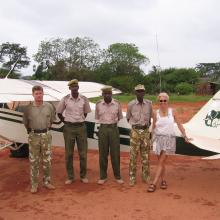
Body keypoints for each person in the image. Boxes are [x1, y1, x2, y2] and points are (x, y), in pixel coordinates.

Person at [147, 92, 191, 192]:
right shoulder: (155, 113)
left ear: (168, 101)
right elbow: (154, 126)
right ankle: (163, 180)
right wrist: (151, 140)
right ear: (158, 101)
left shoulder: (173, 111)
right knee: (160, 163)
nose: (163, 102)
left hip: (169, 139)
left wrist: (184, 135)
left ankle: (153, 183)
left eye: (165, 100)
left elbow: (179, 125)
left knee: (161, 161)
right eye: (161, 101)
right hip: (158, 139)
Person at [56, 79, 91, 184]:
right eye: (72, 87)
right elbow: (59, 113)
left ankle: (83, 176)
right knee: (69, 153)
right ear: (70, 88)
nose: (74, 88)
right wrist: (66, 122)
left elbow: (85, 113)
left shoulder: (84, 99)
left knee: (83, 153)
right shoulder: (65, 99)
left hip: (81, 127)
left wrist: (79, 120)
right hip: (69, 128)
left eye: (76, 87)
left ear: (78, 88)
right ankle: (70, 177)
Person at [23, 85, 56, 193]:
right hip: (33, 137)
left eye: (40, 93)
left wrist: (44, 130)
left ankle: (47, 182)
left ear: (43, 94)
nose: (39, 95)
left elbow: (51, 120)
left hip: (46, 135)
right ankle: (34, 184)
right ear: (33, 95)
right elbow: (26, 123)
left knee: (47, 160)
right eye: (36, 93)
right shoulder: (28, 109)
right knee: (34, 161)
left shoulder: (49, 106)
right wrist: (33, 132)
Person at [95, 86, 124, 185]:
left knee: (115, 153)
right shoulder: (98, 104)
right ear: (103, 95)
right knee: (103, 153)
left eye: (109, 93)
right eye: (105, 94)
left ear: (112, 94)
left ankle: (117, 176)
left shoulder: (117, 104)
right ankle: (103, 176)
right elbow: (97, 117)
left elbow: (120, 117)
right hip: (103, 129)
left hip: (113, 129)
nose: (107, 95)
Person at [126, 84, 153, 186]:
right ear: (135, 93)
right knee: (133, 156)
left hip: (145, 131)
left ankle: (146, 177)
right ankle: (132, 178)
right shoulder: (131, 104)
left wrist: (145, 129)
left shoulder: (149, 104)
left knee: (145, 156)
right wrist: (136, 127)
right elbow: (128, 118)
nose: (140, 93)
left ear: (144, 92)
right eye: (138, 91)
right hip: (135, 132)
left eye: (142, 91)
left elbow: (150, 119)